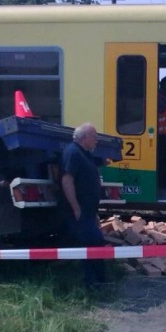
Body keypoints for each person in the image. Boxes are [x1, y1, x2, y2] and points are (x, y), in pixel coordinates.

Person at [61, 122, 108, 288]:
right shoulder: (73, 153)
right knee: (91, 244)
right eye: (94, 137)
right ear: (85, 137)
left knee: (95, 243)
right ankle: (92, 282)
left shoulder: (84, 153)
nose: (96, 140)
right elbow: (67, 180)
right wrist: (76, 207)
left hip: (88, 210)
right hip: (81, 211)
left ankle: (99, 280)